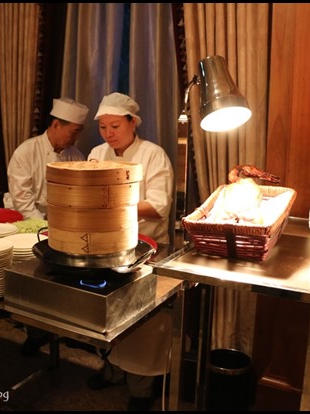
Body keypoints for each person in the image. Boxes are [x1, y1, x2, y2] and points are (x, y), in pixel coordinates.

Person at [86, 92, 174, 411]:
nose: (109, 133)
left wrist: (113, 202)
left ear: (132, 123)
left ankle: (141, 388)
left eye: (115, 126)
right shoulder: (97, 152)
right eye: (103, 127)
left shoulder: (153, 154)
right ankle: (111, 370)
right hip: (104, 245)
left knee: (142, 322)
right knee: (106, 312)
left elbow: (159, 206)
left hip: (146, 247)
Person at [7, 97, 89, 356]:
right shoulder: (26, 151)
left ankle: (71, 329)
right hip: (31, 224)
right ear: (55, 124)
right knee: (37, 282)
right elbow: (22, 200)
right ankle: (36, 332)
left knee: (71, 280)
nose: (74, 139)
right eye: (72, 132)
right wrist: (45, 229)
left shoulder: (76, 156)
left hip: (67, 227)